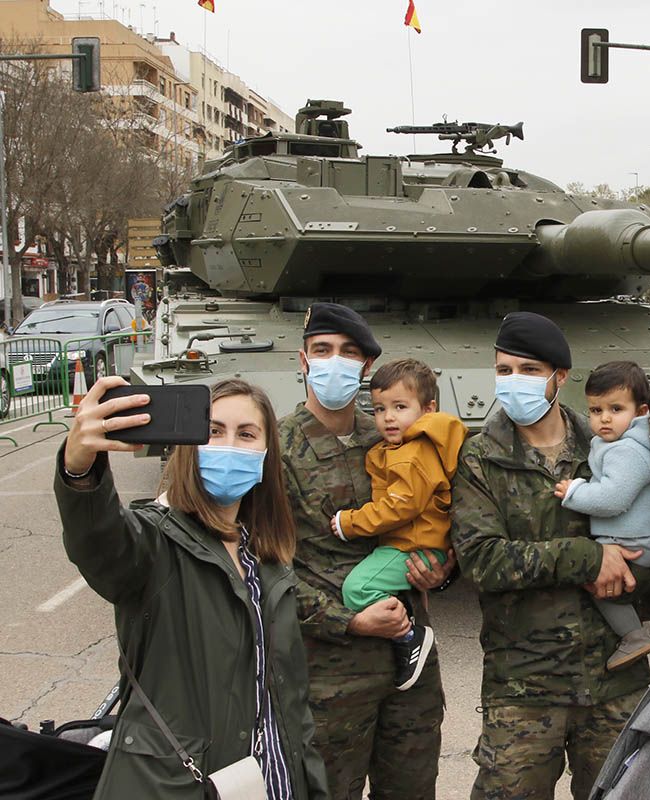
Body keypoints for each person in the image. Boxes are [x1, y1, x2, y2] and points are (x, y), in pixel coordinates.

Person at [55, 377, 328, 799]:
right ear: (189, 444)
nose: (228, 445)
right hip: (177, 786)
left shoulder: (269, 559)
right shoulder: (155, 544)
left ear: (266, 453)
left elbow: (291, 702)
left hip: (273, 783)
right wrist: (80, 468)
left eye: (247, 434)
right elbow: (100, 542)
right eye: (213, 431)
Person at [451, 312, 650, 800]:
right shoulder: (480, 457)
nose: (513, 381)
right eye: (504, 370)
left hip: (614, 678)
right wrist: (588, 559)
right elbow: (482, 559)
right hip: (523, 682)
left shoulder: (611, 444)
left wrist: (633, 576)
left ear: (560, 377)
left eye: (528, 369)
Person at [280, 303, 453, 800]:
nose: (334, 361)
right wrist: (347, 621)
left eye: (349, 353)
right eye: (322, 350)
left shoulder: (395, 431)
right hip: (328, 676)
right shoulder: (277, 447)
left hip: (411, 664)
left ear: (366, 368)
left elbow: (445, 514)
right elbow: (264, 568)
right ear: (304, 360)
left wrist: (440, 569)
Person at [332, 358, 468, 690]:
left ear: (428, 408)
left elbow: (401, 505)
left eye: (400, 407)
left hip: (411, 544)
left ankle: (409, 636)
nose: (388, 417)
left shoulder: (413, 452)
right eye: (378, 409)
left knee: (358, 589)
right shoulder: (408, 446)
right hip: (416, 542)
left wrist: (350, 523)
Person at [554, 360, 650, 670]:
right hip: (640, 535)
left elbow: (612, 499)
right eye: (595, 410)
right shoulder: (624, 443)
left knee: (596, 579)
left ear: (641, 411)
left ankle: (634, 635)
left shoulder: (627, 450)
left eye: (616, 409)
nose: (604, 418)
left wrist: (574, 492)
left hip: (636, 540)